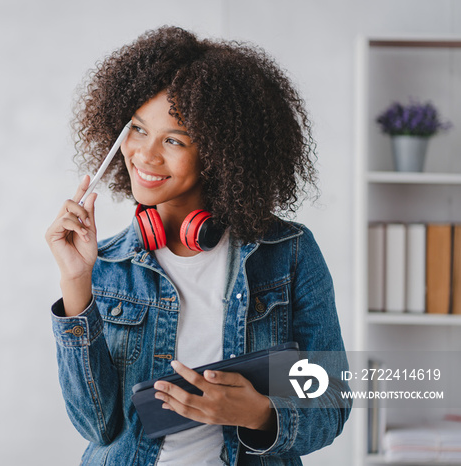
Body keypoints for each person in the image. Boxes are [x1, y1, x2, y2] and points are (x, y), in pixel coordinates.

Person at [44, 26, 350, 466]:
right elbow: (97, 427)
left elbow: (331, 403)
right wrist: (76, 283)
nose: (145, 155)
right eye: (136, 129)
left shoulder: (289, 254)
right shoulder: (104, 264)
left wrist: (259, 413)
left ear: (222, 153)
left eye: (174, 140)